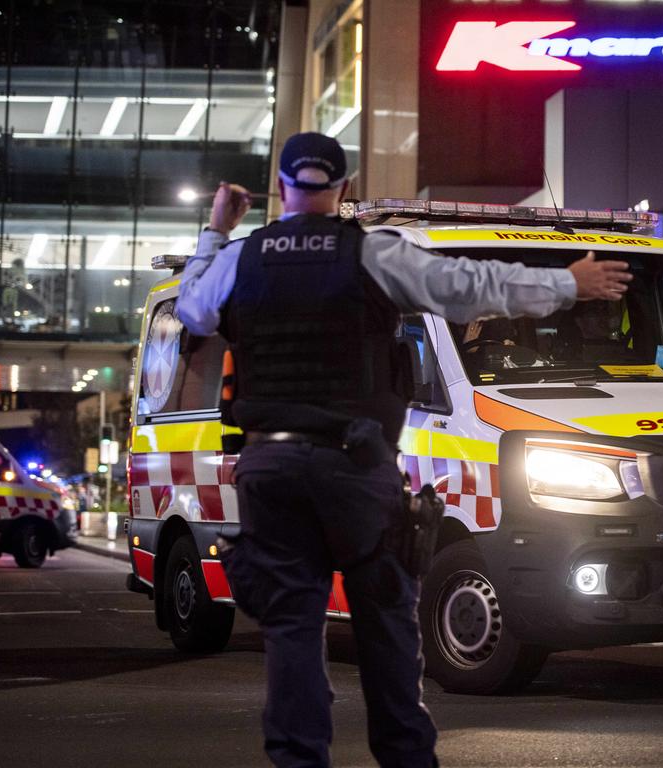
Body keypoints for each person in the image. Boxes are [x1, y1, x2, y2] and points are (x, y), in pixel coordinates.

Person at [175, 131, 631, 768]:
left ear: (280, 189)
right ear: (343, 190)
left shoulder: (238, 260)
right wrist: (566, 284)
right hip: (353, 467)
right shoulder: (372, 252)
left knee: (292, 633)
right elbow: (466, 285)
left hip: (270, 469)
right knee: (387, 626)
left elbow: (192, 313)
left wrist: (217, 233)